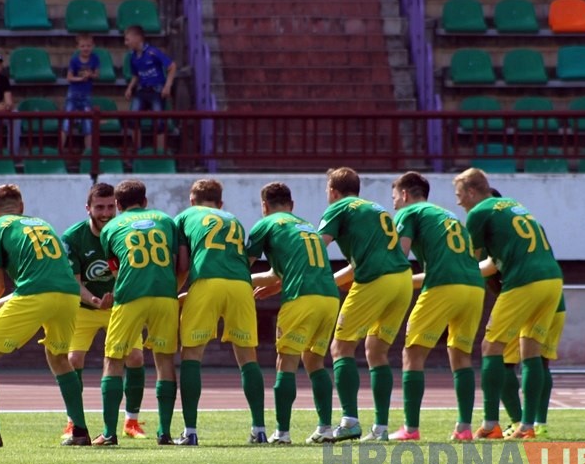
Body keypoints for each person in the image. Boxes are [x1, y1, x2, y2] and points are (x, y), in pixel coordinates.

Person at [0, 184, 90, 447]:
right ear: (22, 208)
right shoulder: (41, 223)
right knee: (59, 358)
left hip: (36, 295)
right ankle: (80, 432)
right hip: (69, 295)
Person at [453, 168, 563, 440]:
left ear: (471, 192)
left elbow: (470, 258)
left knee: (491, 346)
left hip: (523, 281)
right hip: (552, 280)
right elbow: (494, 261)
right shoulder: (515, 205)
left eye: (459, 195)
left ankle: (491, 424)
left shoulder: (479, 212)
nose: (458, 203)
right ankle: (528, 426)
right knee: (531, 350)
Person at [316, 167, 413, 442]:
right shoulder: (374, 208)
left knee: (341, 346)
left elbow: (315, 246)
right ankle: (381, 429)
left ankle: (349, 421)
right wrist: (329, 282)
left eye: (327, 191)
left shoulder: (338, 207)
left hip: (376, 280)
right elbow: (357, 264)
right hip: (402, 279)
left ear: (333, 191)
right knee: (376, 349)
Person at [389, 172, 485, 441]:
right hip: (473, 286)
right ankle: (464, 428)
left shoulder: (409, 213)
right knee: (460, 355)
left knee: (413, 353)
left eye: (395, 197)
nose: (394, 203)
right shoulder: (447, 216)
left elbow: (399, 258)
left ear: (405, 194)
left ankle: (410, 429)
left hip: (443, 287)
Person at [174, 179, 267, 446]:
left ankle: (190, 431)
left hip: (207, 281)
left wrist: (174, 294)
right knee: (247, 356)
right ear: (220, 202)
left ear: (192, 201)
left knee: (192, 353)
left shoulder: (185, 216)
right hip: (241, 284)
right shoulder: (233, 219)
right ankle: (259, 429)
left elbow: (182, 263)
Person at [246, 182, 340, 445]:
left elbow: (242, 265)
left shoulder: (266, 224)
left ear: (264, 205)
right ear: (292, 205)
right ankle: (325, 429)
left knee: (285, 362)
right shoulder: (306, 226)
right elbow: (276, 274)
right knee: (314, 361)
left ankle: (283, 433)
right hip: (330, 297)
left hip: (301, 298)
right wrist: (266, 285)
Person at [59, 183, 147, 441]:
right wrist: (96, 300)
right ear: (88, 208)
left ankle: (131, 421)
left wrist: (117, 296)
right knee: (73, 360)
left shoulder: (124, 232)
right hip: (85, 307)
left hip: (119, 306)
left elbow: (130, 272)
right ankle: (73, 422)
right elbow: (74, 282)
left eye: (110, 206)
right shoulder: (73, 237)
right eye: (99, 207)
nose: (106, 212)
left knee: (135, 358)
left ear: (117, 206)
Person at [97, 180, 179, 446]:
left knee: (113, 359)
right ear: (145, 201)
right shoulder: (166, 221)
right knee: (164, 361)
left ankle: (109, 433)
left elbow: (116, 270)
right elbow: (182, 261)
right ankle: (164, 433)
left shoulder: (110, 228)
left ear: (118, 205)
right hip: (166, 296)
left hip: (130, 296)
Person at [501, 295, 566, 439]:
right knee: (542, 362)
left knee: (499, 360)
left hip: (525, 304)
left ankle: (520, 424)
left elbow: (491, 274)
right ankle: (539, 425)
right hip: (556, 303)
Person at [124, 25, 176, 150]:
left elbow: (172, 66)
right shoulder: (132, 57)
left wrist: (167, 86)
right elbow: (136, 75)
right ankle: (137, 153)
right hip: (142, 90)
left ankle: (160, 154)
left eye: (128, 39)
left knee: (159, 123)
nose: (126, 43)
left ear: (137, 38)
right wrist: (130, 88)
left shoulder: (153, 52)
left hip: (156, 90)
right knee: (133, 120)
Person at [61, 34, 100, 152]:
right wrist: (81, 78)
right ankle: (60, 151)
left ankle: (89, 153)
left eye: (88, 46)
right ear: (78, 47)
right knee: (66, 122)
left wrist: (91, 75)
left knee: (88, 124)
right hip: (73, 94)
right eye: (83, 46)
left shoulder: (95, 59)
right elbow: (69, 77)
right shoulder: (74, 61)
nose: (86, 48)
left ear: (92, 46)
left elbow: (97, 75)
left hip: (86, 96)